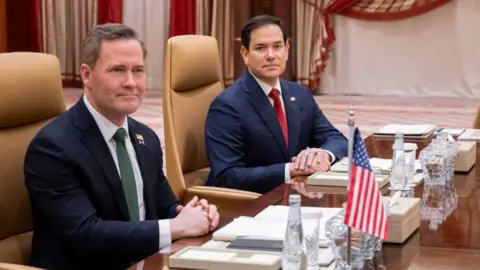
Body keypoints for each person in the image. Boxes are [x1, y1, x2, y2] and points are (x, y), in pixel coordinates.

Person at [24, 23, 219, 270]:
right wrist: (175, 227)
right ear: (86, 75)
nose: (131, 82)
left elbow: (163, 207)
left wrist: (191, 214)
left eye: (138, 70)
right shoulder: (53, 148)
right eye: (117, 70)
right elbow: (86, 234)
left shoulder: (145, 137)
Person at [204, 15, 348, 194]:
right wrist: (292, 169)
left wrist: (322, 154)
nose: (271, 55)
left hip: (293, 195)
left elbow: (337, 140)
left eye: (277, 46)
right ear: (245, 54)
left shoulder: (300, 94)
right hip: (249, 205)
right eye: (260, 48)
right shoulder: (227, 106)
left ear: (287, 50)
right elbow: (226, 176)